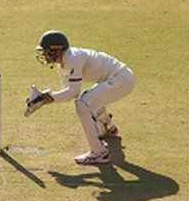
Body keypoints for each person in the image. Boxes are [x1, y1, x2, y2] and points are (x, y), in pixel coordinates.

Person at [25, 30, 135, 165]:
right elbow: (66, 93)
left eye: (46, 51)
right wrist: (43, 99)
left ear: (56, 50)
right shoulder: (63, 65)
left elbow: (73, 92)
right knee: (90, 98)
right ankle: (107, 126)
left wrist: (46, 99)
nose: (44, 55)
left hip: (122, 80)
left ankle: (99, 153)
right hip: (116, 79)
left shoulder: (73, 59)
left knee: (83, 103)